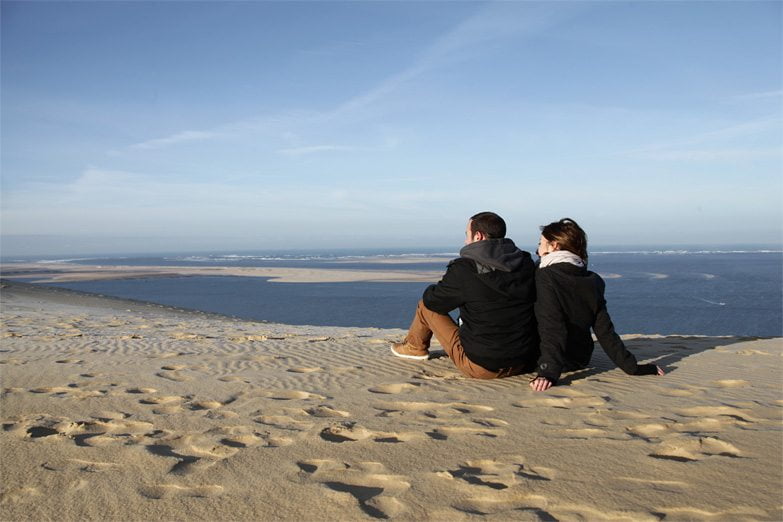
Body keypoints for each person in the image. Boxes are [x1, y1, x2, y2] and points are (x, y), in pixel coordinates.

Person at [391, 212, 539, 378]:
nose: (465, 241)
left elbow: (433, 302)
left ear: (478, 236)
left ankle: (414, 348)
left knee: (425, 306)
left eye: (467, 235)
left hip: (483, 367)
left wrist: (438, 287)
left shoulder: (465, 268)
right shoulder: (524, 262)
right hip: (524, 361)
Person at [530, 218, 664, 392]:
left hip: (552, 361)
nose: (537, 249)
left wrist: (547, 372)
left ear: (554, 246)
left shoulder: (546, 276)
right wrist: (633, 368)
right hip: (580, 358)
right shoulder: (593, 280)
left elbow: (552, 326)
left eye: (540, 243)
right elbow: (605, 331)